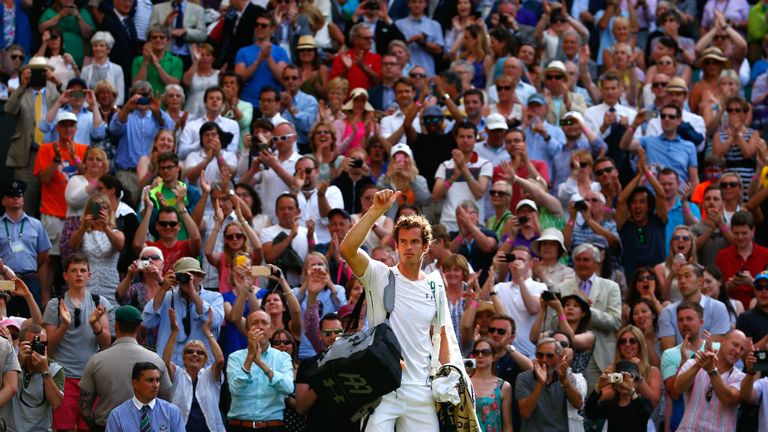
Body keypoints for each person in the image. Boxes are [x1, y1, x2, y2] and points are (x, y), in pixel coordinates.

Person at [340, 188, 467, 431]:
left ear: (426, 246)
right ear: (396, 245)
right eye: (403, 242)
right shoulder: (380, 275)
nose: (408, 247)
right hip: (383, 389)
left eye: (415, 241)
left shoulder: (435, 285)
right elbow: (347, 250)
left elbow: (440, 336)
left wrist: (448, 375)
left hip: (422, 391)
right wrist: (376, 211)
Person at [42, 253, 112, 432]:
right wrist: (64, 325)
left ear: (89, 275)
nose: (79, 274)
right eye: (74, 270)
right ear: (66, 276)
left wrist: (95, 324)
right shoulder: (54, 305)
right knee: (63, 427)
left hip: (92, 377)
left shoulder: (99, 302)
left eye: (83, 270)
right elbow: (49, 348)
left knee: (88, 427)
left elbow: (106, 343)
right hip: (64, 376)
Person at [78, 305, 173, 430]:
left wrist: (96, 428)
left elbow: (84, 407)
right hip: (145, 426)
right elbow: (167, 399)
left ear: (116, 326)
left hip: (105, 425)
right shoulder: (155, 359)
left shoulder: (97, 360)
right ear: (139, 328)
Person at [554, 244, 622, 391]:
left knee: (598, 404)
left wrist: (586, 310)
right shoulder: (562, 288)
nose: (581, 264)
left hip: (599, 357)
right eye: (578, 260)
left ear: (597, 263)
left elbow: (615, 322)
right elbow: (554, 322)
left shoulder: (611, 287)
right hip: (567, 356)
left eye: (586, 259)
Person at [142, 257, 224, 366]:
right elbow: (147, 321)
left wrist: (193, 294)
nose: (189, 279)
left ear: (200, 277)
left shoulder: (214, 297)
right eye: (183, 275)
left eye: (192, 275)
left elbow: (214, 322)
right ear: (176, 278)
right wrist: (163, 289)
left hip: (201, 369)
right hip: (170, 366)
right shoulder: (167, 297)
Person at [226, 309, 294, 430]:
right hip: (239, 426)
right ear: (247, 331)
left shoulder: (283, 357)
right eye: (255, 323)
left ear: (271, 331)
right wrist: (250, 358)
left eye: (264, 323)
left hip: (272, 426)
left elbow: (288, 388)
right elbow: (235, 389)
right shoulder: (235, 357)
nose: (260, 327)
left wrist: (261, 364)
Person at [162, 305, 225, 431]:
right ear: (183, 358)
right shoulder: (178, 374)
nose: (195, 354)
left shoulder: (209, 376)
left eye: (200, 352)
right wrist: (174, 332)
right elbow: (166, 361)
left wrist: (208, 332)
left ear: (205, 359)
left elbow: (220, 360)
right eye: (190, 351)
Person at [673, 329, 748, 430]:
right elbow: (678, 388)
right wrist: (699, 365)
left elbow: (729, 399)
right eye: (735, 344)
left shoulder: (742, 377)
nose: (738, 351)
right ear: (723, 341)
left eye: (742, 349)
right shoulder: (693, 363)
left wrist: (712, 370)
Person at [0, 180, 52, 315]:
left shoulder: (36, 225)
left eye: (19, 195)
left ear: (23, 199)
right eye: (11, 196)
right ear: (3, 201)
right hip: (5, 280)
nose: (15, 198)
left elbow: (43, 255)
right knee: (7, 321)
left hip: (29, 277)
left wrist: (32, 266)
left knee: (32, 320)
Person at [0, 324, 63, 432]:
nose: (38, 347)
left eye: (43, 344)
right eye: (32, 344)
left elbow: (56, 403)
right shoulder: (9, 362)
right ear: (20, 344)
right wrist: (17, 363)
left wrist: (45, 371)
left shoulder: (55, 369)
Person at [515, 337, 583, 431]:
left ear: (559, 358)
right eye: (540, 355)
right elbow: (525, 413)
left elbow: (578, 404)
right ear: (535, 356)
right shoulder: (524, 378)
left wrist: (565, 382)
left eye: (550, 356)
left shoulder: (566, 375)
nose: (544, 360)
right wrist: (540, 383)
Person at [494, 246, 546, 358]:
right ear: (508, 263)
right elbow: (481, 300)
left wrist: (520, 278)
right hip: (502, 353)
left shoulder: (539, 286)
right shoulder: (500, 287)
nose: (516, 262)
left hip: (528, 353)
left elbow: (533, 309)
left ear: (530, 264)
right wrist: (493, 267)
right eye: (513, 258)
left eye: (521, 259)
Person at [105, 362, 185, 431]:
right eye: (150, 380)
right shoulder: (117, 416)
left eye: (157, 380)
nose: (156, 385)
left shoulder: (172, 412)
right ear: (135, 383)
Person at [234, 13, 289, 108]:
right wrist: (259, 60)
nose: (259, 27)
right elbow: (239, 79)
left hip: (273, 105)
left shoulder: (281, 52)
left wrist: (268, 57)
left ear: (272, 29)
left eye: (263, 26)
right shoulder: (243, 51)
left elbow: (283, 79)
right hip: (248, 104)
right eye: (257, 25)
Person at [716, 211, 768, 310]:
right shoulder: (722, 255)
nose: (740, 237)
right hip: (730, 308)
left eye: (744, 233)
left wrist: (753, 282)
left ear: (753, 231)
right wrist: (729, 286)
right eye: (736, 233)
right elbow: (714, 290)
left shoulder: (765, 255)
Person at [585, 360, 653, 432]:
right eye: (621, 378)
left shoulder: (644, 403)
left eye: (628, 378)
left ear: (636, 382)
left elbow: (644, 414)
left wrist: (631, 390)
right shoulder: (610, 404)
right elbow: (590, 412)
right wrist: (598, 387)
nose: (623, 383)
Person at [469, 338, 513, 432]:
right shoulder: (464, 382)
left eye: (485, 352)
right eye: (476, 352)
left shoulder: (504, 387)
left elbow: (507, 426)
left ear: (494, 357)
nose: (480, 355)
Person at [81, 32, 125, 106]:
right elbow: (81, 94)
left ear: (108, 50)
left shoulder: (117, 69)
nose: (98, 48)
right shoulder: (85, 70)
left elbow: (120, 97)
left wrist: (109, 109)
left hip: (111, 111)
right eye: (95, 45)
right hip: (90, 110)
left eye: (101, 45)